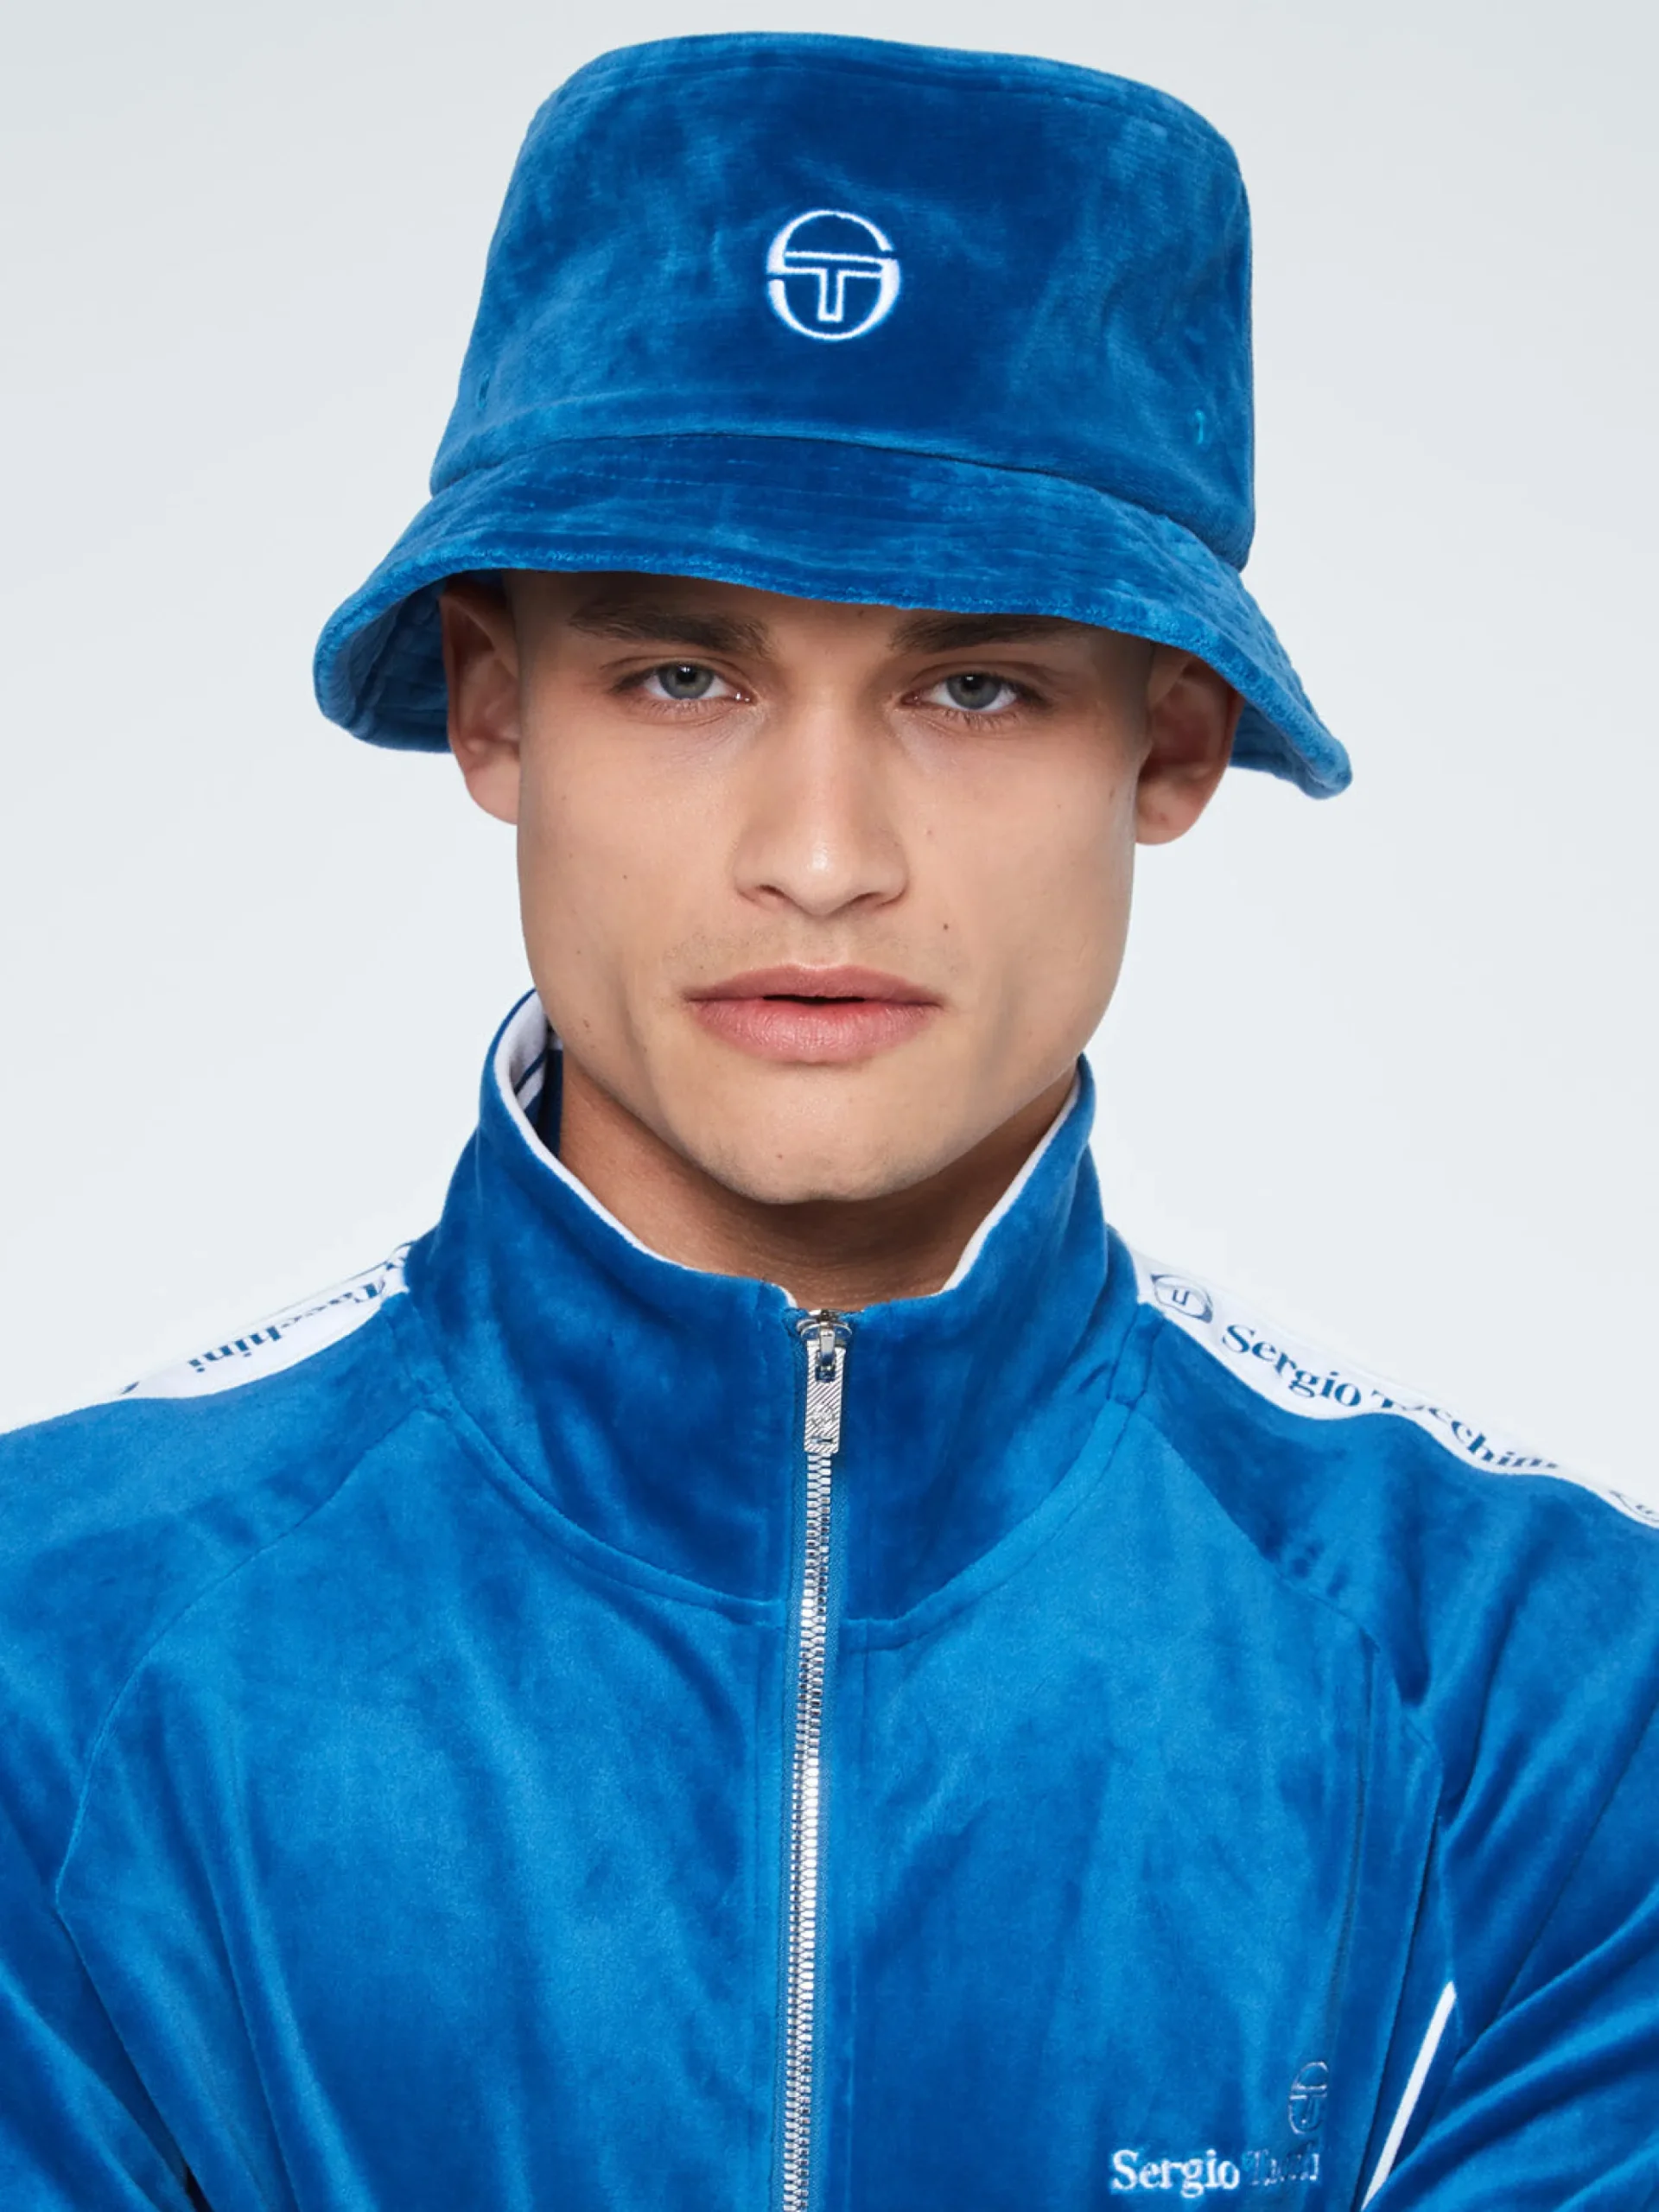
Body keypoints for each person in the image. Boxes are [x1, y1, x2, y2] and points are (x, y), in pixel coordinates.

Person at [2, 29, 1655, 2211]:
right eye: (681, 674)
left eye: (975, 686)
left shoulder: (1546, 1695)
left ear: (1169, 742)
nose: (818, 854)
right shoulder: (53, 1652)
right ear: (496, 709)